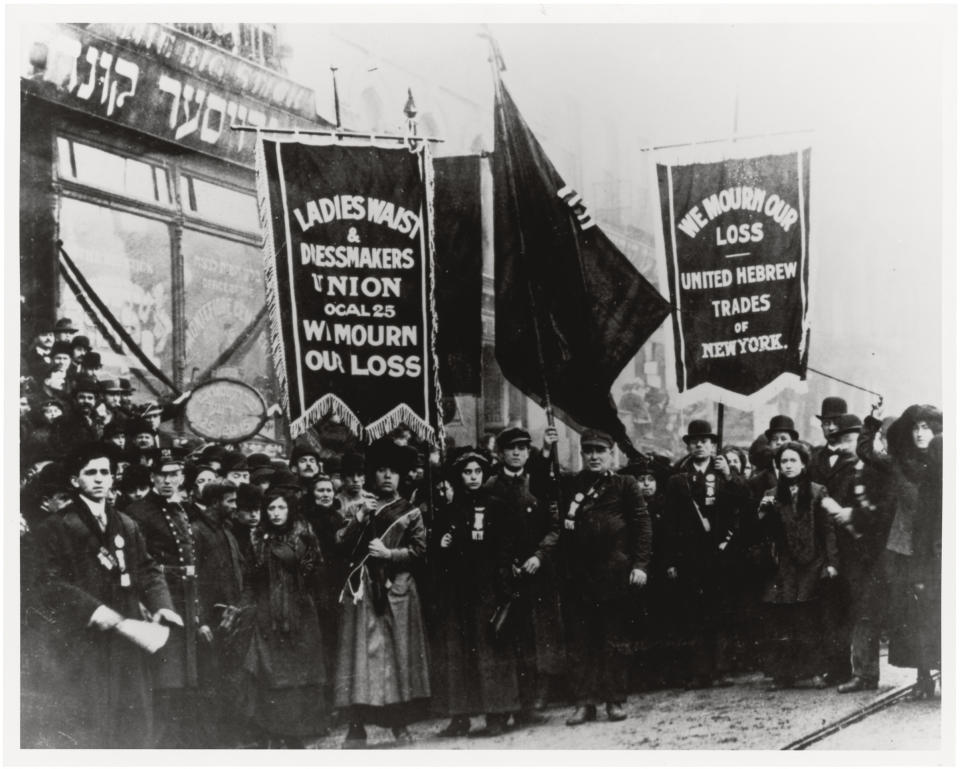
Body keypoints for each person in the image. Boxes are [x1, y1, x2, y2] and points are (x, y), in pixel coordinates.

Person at [25, 442, 176, 747]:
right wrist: (92, 610)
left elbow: (147, 569)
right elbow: (47, 583)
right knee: (90, 723)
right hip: (84, 641)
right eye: (90, 472)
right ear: (74, 480)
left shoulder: (126, 523)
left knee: (133, 721)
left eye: (104, 472)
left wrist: (162, 605)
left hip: (129, 636)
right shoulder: (55, 527)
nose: (99, 479)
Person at [334, 439, 430, 748]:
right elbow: (342, 546)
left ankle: (399, 723)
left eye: (393, 472)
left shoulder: (411, 512)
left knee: (397, 657)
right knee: (361, 660)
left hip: (397, 590)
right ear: (373, 475)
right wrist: (361, 517)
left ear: (401, 477)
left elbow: (420, 552)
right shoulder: (359, 507)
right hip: (363, 589)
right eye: (381, 471)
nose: (387, 476)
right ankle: (356, 724)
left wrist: (390, 554)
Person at [560, 429, 651, 725]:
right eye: (589, 451)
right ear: (582, 454)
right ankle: (584, 703)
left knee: (614, 640)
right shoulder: (572, 484)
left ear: (611, 454)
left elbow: (642, 525)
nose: (594, 456)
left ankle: (615, 700)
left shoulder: (624, 484)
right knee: (581, 643)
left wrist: (640, 565)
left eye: (600, 451)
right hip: (579, 576)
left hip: (614, 573)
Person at [430, 450, 523, 738]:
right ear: (459, 476)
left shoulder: (496, 505)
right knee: (457, 653)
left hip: (486, 588)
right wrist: (442, 544)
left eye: (477, 472)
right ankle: (460, 716)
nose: (472, 477)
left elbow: (506, 545)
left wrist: (500, 580)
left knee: (489, 651)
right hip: (457, 591)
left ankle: (497, 713)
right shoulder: (448, 509)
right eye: (467, 472)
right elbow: (436, 552)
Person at [857, 402, 942, 697]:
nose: (921, 434)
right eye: (916, 428)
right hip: (905, 549)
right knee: (914, 614)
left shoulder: (947, 460)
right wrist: (872, 421)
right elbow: (866, 453)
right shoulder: (899, 462)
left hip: (938, 548)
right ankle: (923, 677)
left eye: (927, 428)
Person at [485, 426, 565, 719]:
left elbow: (554, 527)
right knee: (509, 640)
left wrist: (539, 556)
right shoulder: (491, 486)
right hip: (507, 576)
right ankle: (512, 704)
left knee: (538, 638)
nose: (517, 453)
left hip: (537, 573)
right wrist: (506, 565)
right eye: (511, 448)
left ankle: (532, 703)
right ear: (501, 453)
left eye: (522, 448)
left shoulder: (539, 482)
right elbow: (489, 534)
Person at [125, 447, 203, 747]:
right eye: (162, 475)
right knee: (165, 674)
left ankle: (183, 741)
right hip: (163, 598)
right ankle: (159, 743)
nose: (168, 480)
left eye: (174, 474)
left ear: (182, 477)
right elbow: (140, 565)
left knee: (187, 674)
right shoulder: (138, 513)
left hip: (187, 594)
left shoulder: (181, 508)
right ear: (153, 477)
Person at [239, 488, 326, 747]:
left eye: (281, 508)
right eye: (271, 509)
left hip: (301, 612)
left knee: (302, 674)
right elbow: (251, 579)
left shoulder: (304, 535)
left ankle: (298, 734)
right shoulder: (257, 538)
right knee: (274, 675)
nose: (276, 514)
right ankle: (275, 732)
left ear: (290, 509)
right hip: (268, 614)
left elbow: (316, 571)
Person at [663, 420, 746, 689]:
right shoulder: (678, 479)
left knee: (719, 612)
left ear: (713, 445)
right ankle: (699, 671)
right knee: (693, 614)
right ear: (687, 445)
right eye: (694, 441)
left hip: (720, 553)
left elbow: (744, 504)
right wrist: (672, 560)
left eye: (705, 441)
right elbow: (670, 523)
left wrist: (731, 476)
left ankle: (720, 669)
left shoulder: (724, 474)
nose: (699, 445)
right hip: (689, 555)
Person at [755, 442, 839, 689]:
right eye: (783, 462)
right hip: (783, 566)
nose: (788, 466)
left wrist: (832, 563)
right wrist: (761, 513)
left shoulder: (817, 492)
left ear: (803, 463)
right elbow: (761, 533)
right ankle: (783, 674)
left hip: (812, 563)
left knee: (808, 618)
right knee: (783, 619)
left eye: (793, 461)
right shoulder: (771, 495)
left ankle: (814, 671)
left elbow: (828, 531)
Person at [191, 480, 244, 746]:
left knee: (231, 684)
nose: (235, 506)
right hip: (210, 625)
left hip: (231, 623)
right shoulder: (197, 532)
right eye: (230, 501)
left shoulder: (227, 532)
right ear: (214, 503)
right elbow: (194, 582)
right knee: (210, 687)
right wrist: (199, 621)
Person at [809, 397, 849, 485]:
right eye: (827, 423)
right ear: (821, 426)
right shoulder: (812, 457)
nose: (831, 428)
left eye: (836, 423)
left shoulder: (855, 455)